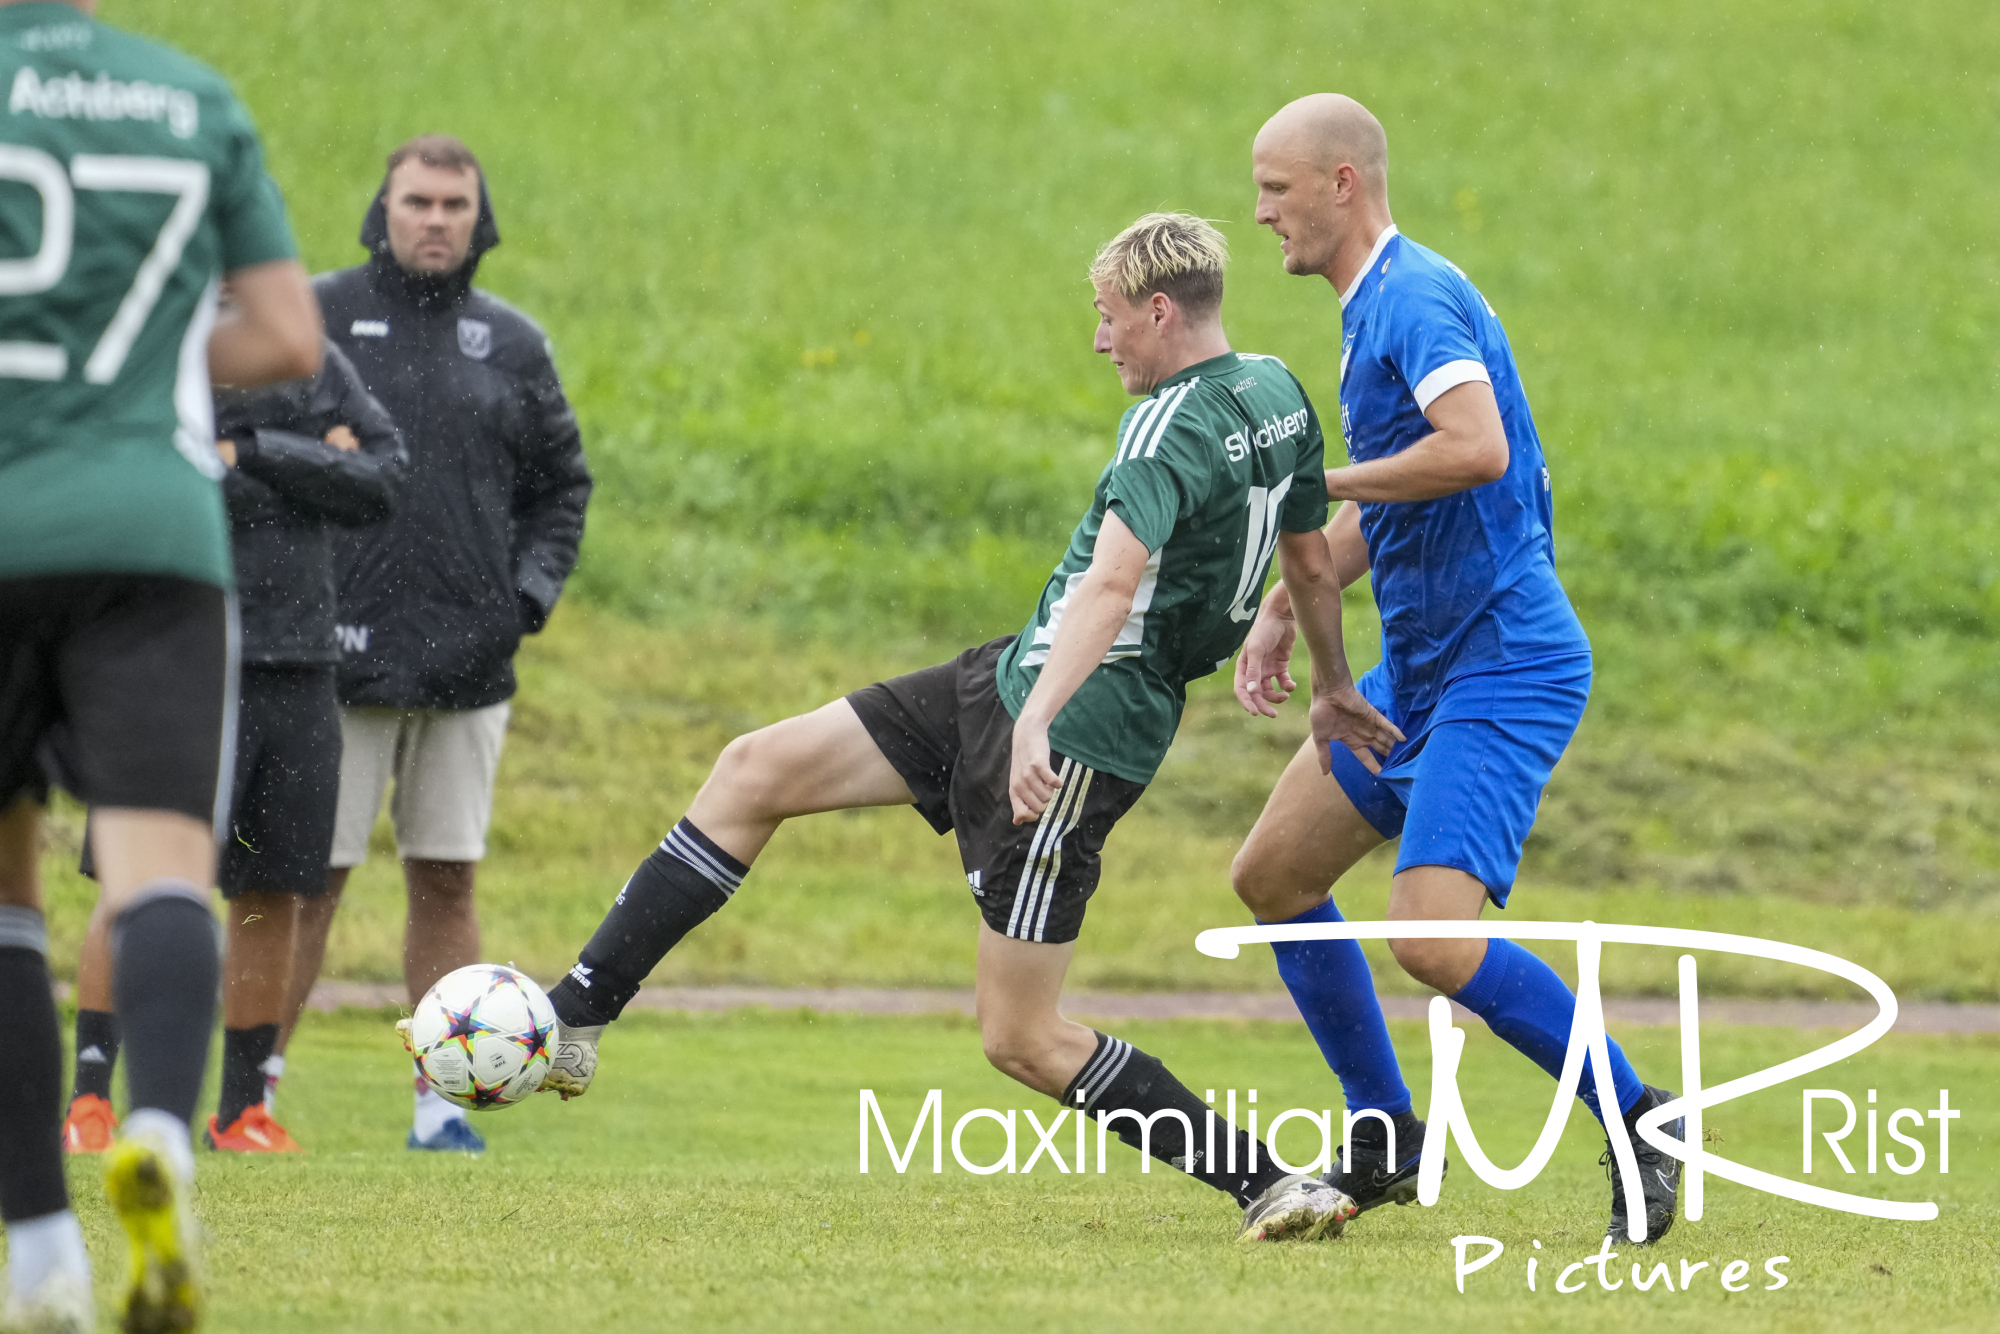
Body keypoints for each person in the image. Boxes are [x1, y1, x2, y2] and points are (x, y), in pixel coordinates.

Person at [504, 213, 1405, 1243]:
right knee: (753, 768)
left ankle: (1265, 1181)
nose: (1099, 340)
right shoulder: (1276, 390)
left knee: (1020, 1035)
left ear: (1158, 310)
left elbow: (1113, 583)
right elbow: (1303, 556)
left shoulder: (1168, 424)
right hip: (1006, 678)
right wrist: (1325, 678)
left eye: (1107, 318)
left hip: (1079, 729)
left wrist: (1041, 727)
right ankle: (575, 1013)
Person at [1230, 94, 1682, 1244]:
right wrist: (1292, 591)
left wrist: (1314, 488)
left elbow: (1472, 449)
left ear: (1342, 184)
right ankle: (1383, 1132)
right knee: (1274, 876)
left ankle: (1641, 1114)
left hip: (1503, 664)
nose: (1259, 211)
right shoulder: (1371, 304)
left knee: (1429, 938)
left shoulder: (1412, 297)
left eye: (1276, 189)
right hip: (1420, 668)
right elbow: (1410, 501)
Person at [0, 0, 322, 1327]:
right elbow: (290, 341)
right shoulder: (188, 95)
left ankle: (39, 1254)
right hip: (154, 526)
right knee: (160, 870)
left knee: (14, 894)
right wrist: (134, 374)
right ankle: (162, 1138)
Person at [293, 134, 591, 1153]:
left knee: (447, 874)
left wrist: (526, 597)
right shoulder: (319, 317)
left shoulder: (512, 342)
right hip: (333, 657)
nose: (434, 219)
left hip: (469, 662)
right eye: (415, 201)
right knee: (306, 878)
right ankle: (254, 1092)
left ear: (480, 218)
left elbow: (563, 486)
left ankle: (439, 1103)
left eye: (453, 204)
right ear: (383, 211)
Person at [60, 339, 407, 1158]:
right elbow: (143, 475)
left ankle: (241, 1112)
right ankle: (88, 1102)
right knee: (133, 875)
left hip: (299, 662)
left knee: (273, 889)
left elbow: (384, 478)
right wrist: (313, 462)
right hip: (175, 651)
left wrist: (247, 452)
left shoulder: (313, 360)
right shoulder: (152, 351)